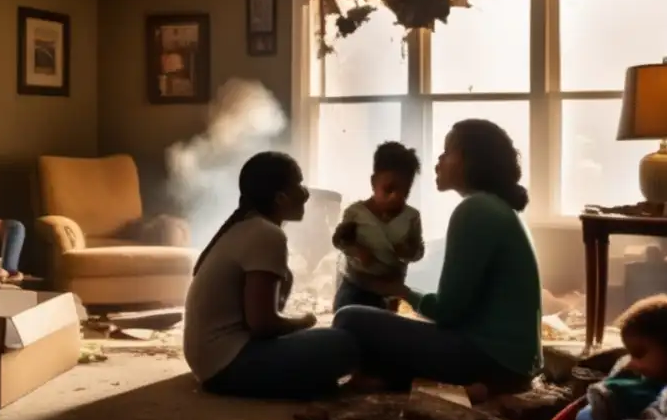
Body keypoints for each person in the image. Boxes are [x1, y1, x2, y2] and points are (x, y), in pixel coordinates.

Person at [333, 119, 542, 391]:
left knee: (350, 318)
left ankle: (393, 379)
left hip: (493, 362)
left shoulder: (475, 210)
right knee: (386, 327)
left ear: (469, 160)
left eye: (447, 152)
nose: (438, 161)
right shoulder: (497, 208)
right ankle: (395, 379)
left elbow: (447, 312)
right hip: (515, 364)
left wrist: (401, 291)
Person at [183, 151, 360, 400]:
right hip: (227, 366)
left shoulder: (247, 226)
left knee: (328, 340)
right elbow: (262, 324)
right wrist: (305, 322)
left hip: (210, 362)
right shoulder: (267, 234)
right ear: (280, 198)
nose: (306, 193)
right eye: (299, 184)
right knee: (345, 344)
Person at [332, 141, 425, 311]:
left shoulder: (412, 217)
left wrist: (408, 251)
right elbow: (339, 240)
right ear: (374, 182)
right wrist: (358, 250)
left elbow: (418, 250)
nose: (395, 198)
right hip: (356, 285)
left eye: (404, 193)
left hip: (391, 291)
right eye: (389, 190)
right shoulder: (355, 213)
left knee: (382, 331)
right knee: (347, 323)